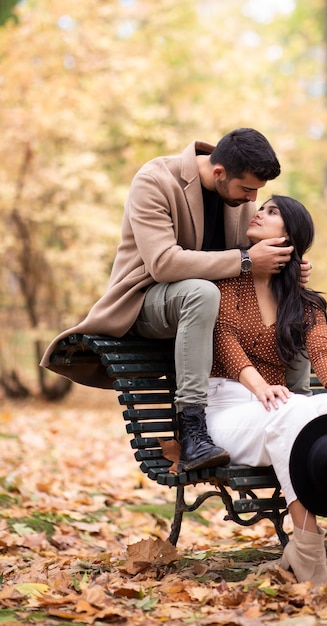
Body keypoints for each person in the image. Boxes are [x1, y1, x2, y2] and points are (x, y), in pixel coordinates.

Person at [40, 128, 312, 473]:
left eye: (256, 192)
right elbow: (164, 263)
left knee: (296, 302)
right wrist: (245, 260)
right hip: (144, 300)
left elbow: (261, 253)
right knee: (202, 292)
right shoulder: (155, 180)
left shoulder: (240, 200)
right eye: (246, 189)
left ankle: (301, 414)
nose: (251, 199)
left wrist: (292, 269)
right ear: (218, 173)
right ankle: (193, 428)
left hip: (209, 314)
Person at [204, 195, 327, 585]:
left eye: (272, 211)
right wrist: (259, 384)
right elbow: (223, 339)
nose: (259, 213)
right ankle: (309, 553)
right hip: (229, 406)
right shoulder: (228, 281)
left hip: (277, 409)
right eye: (259, 207)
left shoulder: (298, 299)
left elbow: (321, 347)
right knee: (295, 413)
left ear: (289, 238)